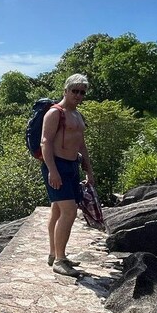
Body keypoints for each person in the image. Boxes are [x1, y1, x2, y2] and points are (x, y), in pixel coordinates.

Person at [40, 74, 95, 277]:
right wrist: (52, 171)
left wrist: (89, 171)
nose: (79, 95)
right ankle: (60, 261)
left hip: (72, 166)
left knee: (57, 211)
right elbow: (45, 142)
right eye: (75, 91)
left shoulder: (78, 116)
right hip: (57, 166)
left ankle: (55, 254)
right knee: (69, 212)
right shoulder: (55, 113)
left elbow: (82, 145)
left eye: (82, 92)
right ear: (66, 90)